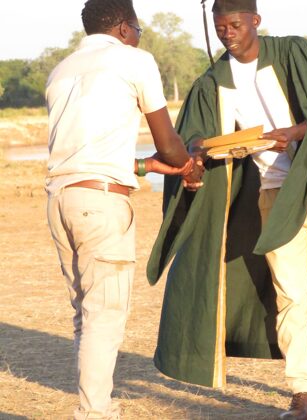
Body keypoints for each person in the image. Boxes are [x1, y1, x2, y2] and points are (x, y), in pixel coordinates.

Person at [146, 0, 307, 418]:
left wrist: (293, 135)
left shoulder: (294, 52)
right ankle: (302, 391)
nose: (227, 33)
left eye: (234, 24)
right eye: (220, 27)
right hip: (272, 192)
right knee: (290, 294)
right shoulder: (212, 81)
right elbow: (193, 137)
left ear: (255, 21)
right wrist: (199, 150)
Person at [45, 0, 203, 418]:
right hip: (101, 204)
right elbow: (169, 141)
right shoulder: (133, 60)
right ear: (122, 28)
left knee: (86, 313)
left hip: (61, 199)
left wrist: (145, 165)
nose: (139, 36)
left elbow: (86, 148)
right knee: (105, 315)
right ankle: (96, 413)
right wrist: (186, 163)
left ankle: (94, 407)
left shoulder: (62, 70)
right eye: (138, 29)